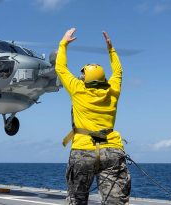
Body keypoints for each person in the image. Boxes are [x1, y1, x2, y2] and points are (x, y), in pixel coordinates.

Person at [55, 28, 131, 205]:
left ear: (84, 79)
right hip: (112, 150)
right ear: (103, 79)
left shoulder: (77, 89)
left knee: (77, 200)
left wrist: (63, 43)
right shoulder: (113, 91)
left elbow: (60, 67)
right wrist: (111, 50)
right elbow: (118, 72)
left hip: (83, 151)